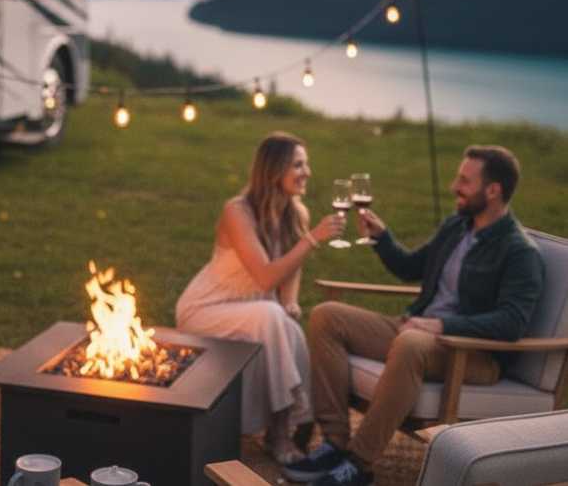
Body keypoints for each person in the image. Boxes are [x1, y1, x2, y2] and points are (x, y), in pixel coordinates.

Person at [284, 145, 544, 486]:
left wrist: (442, 324)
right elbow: (411, 268)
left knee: (409, 343)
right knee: (325, 316)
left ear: (493, 190)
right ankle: (334, 443)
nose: (454, 186)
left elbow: (511, 322)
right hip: (418, 331)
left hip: (471, 352)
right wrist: (382, 238)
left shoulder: (519, 251)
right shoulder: (457, 226)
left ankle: (359, 464)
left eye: (464, 181)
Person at [175, 131, 347, 464]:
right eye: (298, 165)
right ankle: (282, 431)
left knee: (290, 329)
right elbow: (265, 276)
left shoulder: (296, 213)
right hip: (207, 308)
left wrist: (290, 301)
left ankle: (293, 425)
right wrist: (313, 239)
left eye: (306, 164)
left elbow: (291, 268)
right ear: (274, 169)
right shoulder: (237, 211)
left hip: (255, 309)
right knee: (270, 316)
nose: (307, 172)